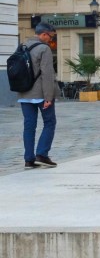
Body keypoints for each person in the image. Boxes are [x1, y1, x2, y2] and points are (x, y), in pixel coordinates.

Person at [19, 22, 58, 168]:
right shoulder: (43, 48)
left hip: (24, 93)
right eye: (50, 36)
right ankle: (41, 154)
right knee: (49, 123)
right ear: (44, 34)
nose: (51, 39)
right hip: (41, 93)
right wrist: (49, 97)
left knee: (29, 126)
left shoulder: (22, 46)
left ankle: (29, 159)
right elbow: (47, 74)